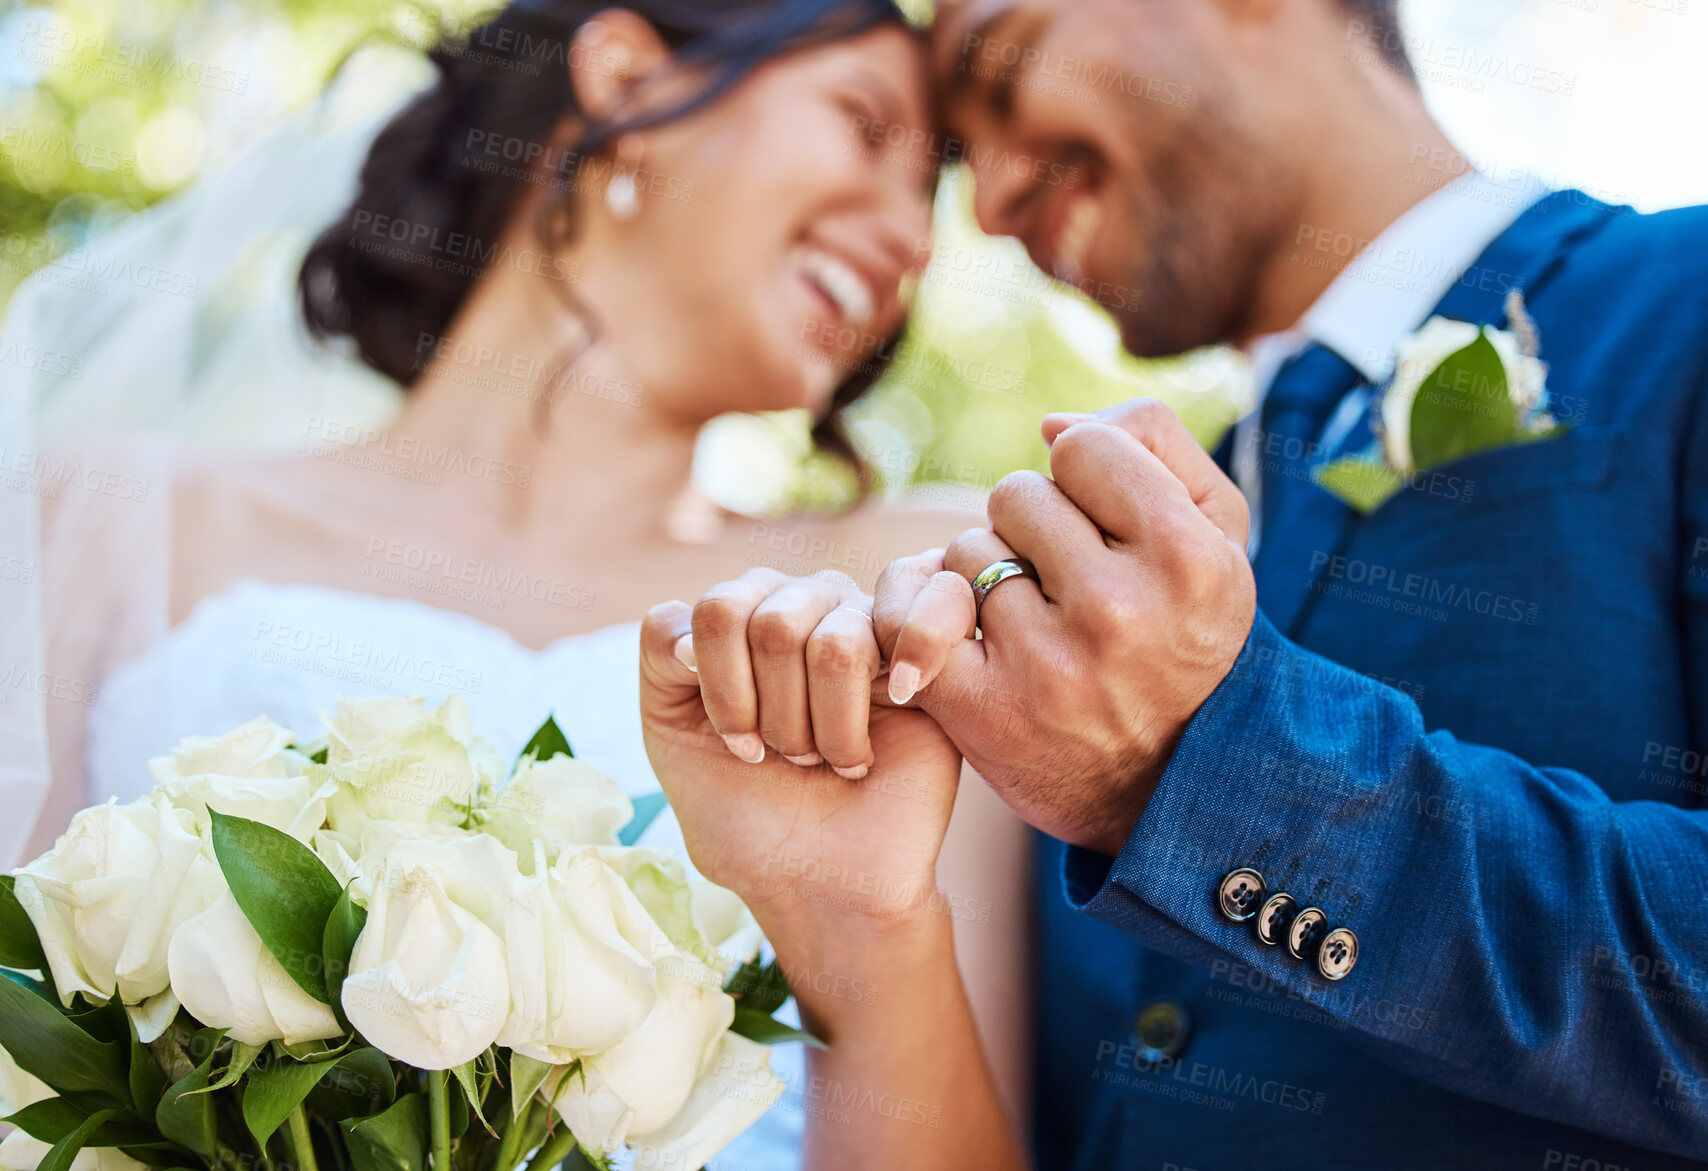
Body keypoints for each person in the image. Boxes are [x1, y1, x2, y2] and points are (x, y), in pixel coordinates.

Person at [639, 0, 1708, 1166]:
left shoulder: (1679, 302)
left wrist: (1203, 772)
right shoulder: (1080, 557)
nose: (987, 206)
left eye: (1001, 67)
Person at [7, 0, 1038, 1161]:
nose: (913, 239)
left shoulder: (915, 598)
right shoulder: (111, 517)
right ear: (628, 82)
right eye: (864, 126)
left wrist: (868, 928)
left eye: (930, 194)